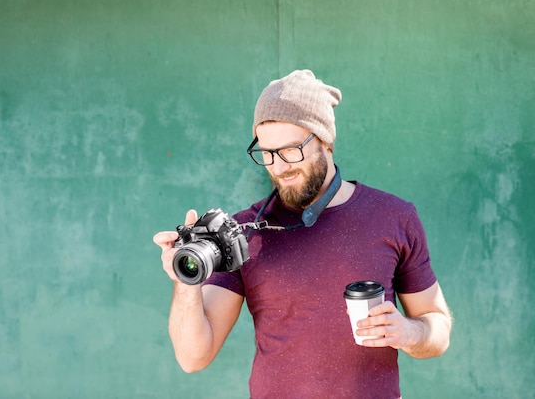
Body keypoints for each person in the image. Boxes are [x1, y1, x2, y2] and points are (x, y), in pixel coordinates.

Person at [153, 69, 452, 398]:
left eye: (290, 151)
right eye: (267, 154)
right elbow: (193, 357)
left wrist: (409, 331)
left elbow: (437, 327)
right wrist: (186, 283)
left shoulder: (394, 216)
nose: (279, 167)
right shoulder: (242, 233)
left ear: (324, 141)